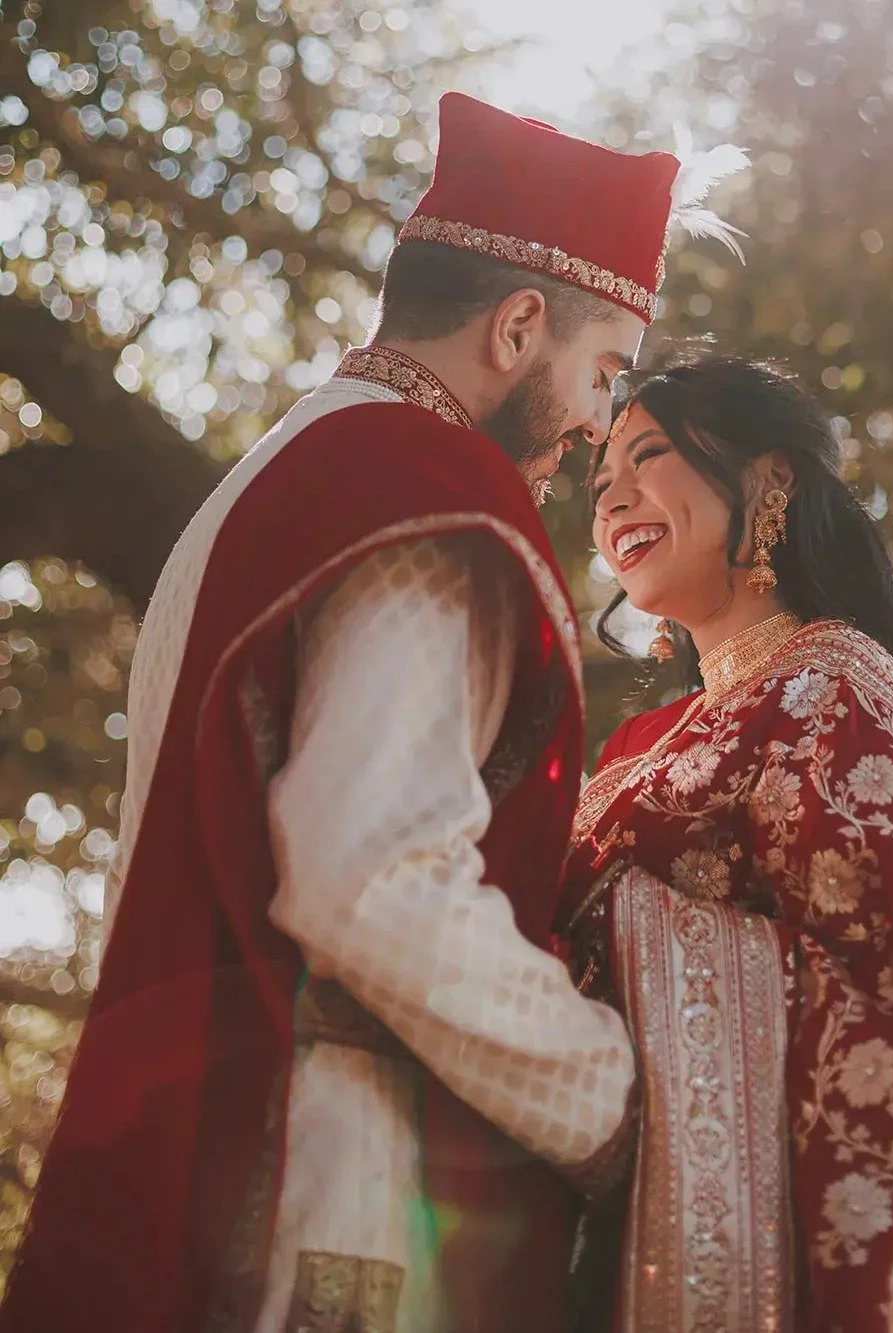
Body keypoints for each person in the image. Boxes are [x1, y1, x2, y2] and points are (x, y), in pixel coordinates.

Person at [0, 95, 684, 1333]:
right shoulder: (419, 497)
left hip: (214, 1164)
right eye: (600, 376)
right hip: (329, 1198)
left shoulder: (275, 479)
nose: (596, 428)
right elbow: (370, 875)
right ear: (519, 324)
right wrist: (618, 1104)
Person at [561, 348, 893, 1332]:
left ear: (767, 483)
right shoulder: (639, 739)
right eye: (599, 484)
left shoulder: (835, 684)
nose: (612, 498)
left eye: (646, 456)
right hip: (598, 1208)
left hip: (760, 1260)